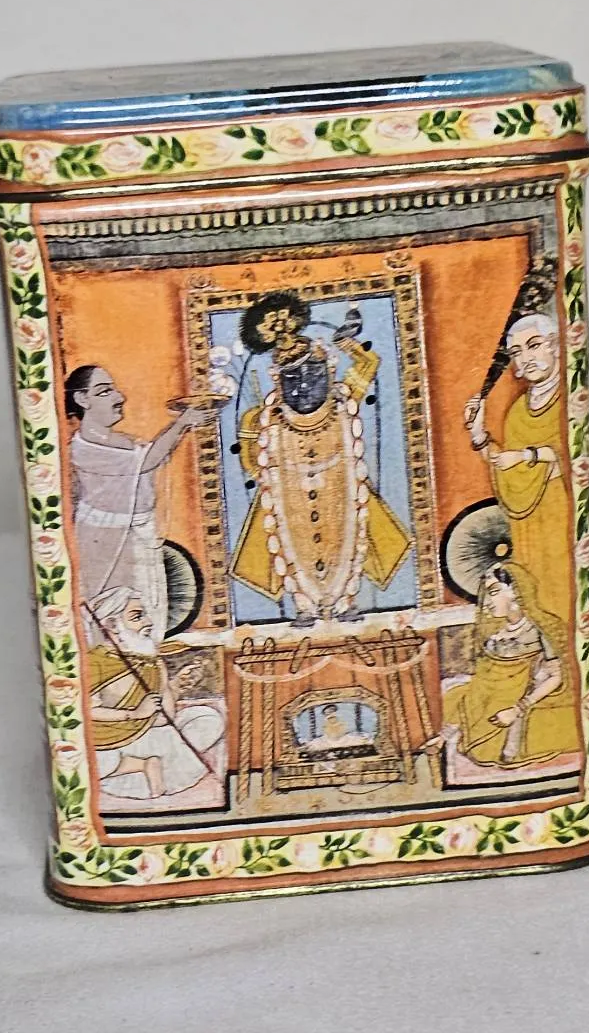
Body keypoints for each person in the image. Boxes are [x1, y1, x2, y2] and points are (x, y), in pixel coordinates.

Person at [230, 292, 411, 625]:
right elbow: (251, 463)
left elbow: (369, 364)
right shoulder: (263, 418)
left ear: (326, 368)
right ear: (277, 379)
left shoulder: (342, 399)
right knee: (292, 542)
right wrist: (260, 453)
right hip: (290, 495)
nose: (303, 384)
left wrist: (346, 344)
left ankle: (346, 602)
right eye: (292, 376)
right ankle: (304, 607)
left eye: (311, 370)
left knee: (348, 535)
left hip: (338, 486)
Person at [65, 365, 212, 641]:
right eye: (105, 392)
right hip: (108, 542)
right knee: (115, 615)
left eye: (114, 390)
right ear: (82, 399)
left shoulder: (122, 441)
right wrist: (181, 423)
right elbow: (148, 461)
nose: (119, 397)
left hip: (139, 534)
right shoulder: (83, 448)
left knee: (148, 610)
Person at [464, 311, 571, 622]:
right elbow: (508, 472)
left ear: (555, 345)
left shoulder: (572, 399)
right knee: (536, 593)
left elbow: (574, 456)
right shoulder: (518, 413)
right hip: (529, 525)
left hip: (564, 516)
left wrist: (527, 456)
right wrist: (479, 434)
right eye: (517, 352)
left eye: (534, 345)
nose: (526, 358)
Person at [86, 587, 224, 801]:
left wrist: (175, 687)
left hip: (148, 735)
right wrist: (135, 714)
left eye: (145, 615)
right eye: (137, 617)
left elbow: (164, 718)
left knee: (208, 718)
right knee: (85, 759)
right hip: (110, 743)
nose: (148, 622)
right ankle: (141, 766)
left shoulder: (152, 660)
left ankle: (153, 764)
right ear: (112, 625)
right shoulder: (95, 661)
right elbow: (84, 711)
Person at [442, 563, 580, 768]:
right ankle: (448, 735)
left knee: (493, 744)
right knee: (453, 693)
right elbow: (486, 679)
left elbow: (556, 677)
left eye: (494, 592)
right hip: (490, 696)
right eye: (486, 595)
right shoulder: (497, 631)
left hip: (520, 699)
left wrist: (516, 710)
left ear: (516, 590)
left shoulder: (542, 627)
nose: (487, 602)